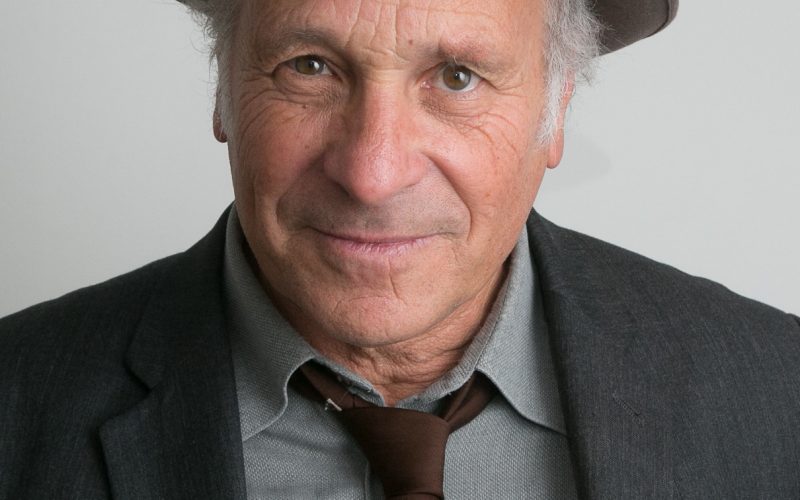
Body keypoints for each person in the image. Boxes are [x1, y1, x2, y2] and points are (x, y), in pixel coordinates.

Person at [1, 0, 798, 498]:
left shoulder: (778, 395)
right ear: (223, 92)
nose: (373, 174)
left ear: (554, 110)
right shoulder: (17, 404)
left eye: (457, 77)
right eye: (310, 67)